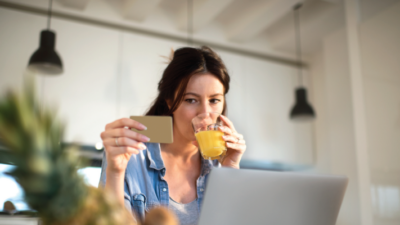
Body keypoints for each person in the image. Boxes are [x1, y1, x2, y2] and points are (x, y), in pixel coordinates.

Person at [99, 46, 247, 225]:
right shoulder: (131, 155)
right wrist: (115, 172)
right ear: (170, 102)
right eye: (191, 100)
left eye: (214, 100)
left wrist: (231, 171)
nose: (205, 113)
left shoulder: (221, 165)